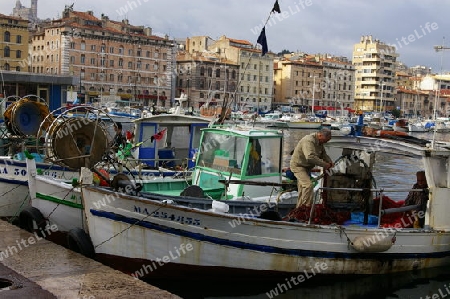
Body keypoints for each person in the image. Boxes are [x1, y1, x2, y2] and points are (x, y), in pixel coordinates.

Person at [290, 128, 334, 208]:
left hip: (307, 167)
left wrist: (330, 162)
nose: (326, 142)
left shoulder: (320, 142)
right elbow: (310, 157)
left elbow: (323, 154)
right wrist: (325, 165)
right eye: (326, 140)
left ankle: (299, 209)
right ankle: (306, 209)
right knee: (308, 185)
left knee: (302, 189)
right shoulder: (308, 140)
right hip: (298, 166)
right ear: (320, 135)